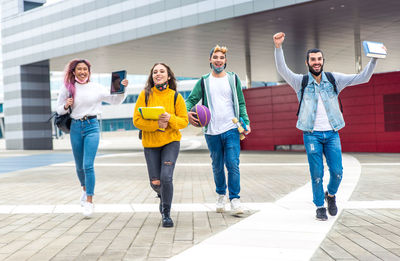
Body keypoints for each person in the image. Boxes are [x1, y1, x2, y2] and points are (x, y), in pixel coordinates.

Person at [273, 32, 383, 220]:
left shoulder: (334, 79)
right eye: (312, 59)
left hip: (332, 134)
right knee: (317, 173)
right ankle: (319, 207)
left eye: (319, 59)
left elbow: (362, 78)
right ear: (307, 62)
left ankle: (330, 195)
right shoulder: (301, 82)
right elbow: (283, 70)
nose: (316, 62)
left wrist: (374, 59)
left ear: (323, 61)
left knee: (338, 172)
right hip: (311, 134)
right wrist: (278, 47)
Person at [56, 59, 128, 218]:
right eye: (79, 69)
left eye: (85, 69)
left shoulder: (96, 87)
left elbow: (115, 101)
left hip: (92, 126)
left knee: (88, 164)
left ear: (89, 72)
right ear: (74, 72)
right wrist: (67, 105)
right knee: (79, 166)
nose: (82, 72)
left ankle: (89, 201)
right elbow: (59, 110)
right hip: (75, 127)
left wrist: (122, 88)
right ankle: (84, 189)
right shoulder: (67, 88)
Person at [185, 45, 251, 215]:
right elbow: (191, 99)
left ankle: (235, 199)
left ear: (225, 61)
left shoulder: (233, 78)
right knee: (217, 166)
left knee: (233, 164)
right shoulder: (204, 81)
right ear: (210, 60)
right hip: (211, 131)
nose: (218, 60)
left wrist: (246, 122)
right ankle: (221, 195)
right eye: (215, 57)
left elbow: (241, 103)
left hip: (231, 128)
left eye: (221, 57)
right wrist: (186, 113)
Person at [133, 63, 188, 227]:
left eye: (162, 71)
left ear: (168, 76)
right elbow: (136, 120)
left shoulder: (176, 96)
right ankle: (163, 194)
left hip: (171, 142)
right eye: (155, 72)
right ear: (152, 77)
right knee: (156, 182)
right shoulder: (145, 95)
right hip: (150, 143)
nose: (158, 74)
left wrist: (169, 118)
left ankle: (166, 213)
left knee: (166, 177)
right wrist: (157, 124)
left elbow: (184, 121)